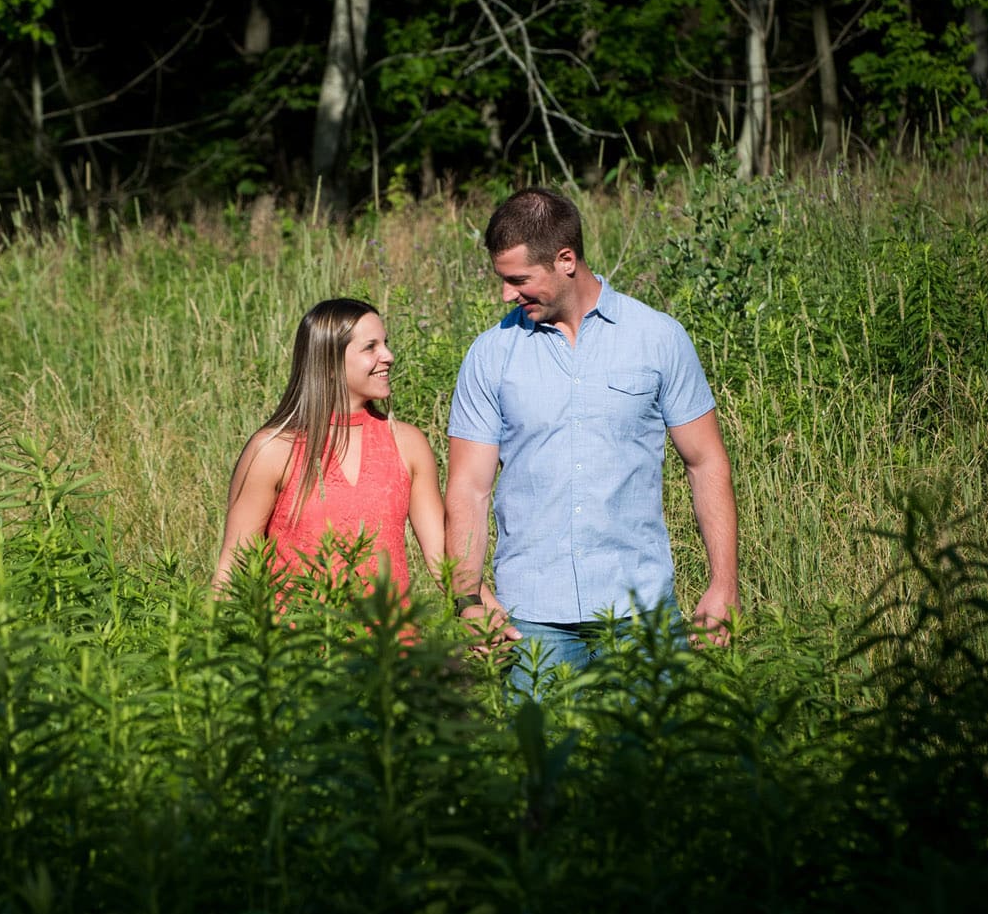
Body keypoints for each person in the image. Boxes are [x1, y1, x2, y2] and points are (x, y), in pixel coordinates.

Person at [444, 187, 738, 689]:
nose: (507, 295)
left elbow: (706, 461)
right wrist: (468, 595)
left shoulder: (657, 338)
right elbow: (469, 487)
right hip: (530, 619)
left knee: (646, 766)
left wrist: (723, 584)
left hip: (640, 611)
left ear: (565, 260)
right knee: (537, 766)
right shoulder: (491, 354)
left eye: (518, 280)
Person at [213, 298, 445, 609]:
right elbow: (234, 565)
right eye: (370, 347)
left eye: (385, 344)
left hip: (390, 649)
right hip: (300, 647)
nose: (388, 356)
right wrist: (206, 646)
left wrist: (479, 609)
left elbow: (443, 557)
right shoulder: (273, 449)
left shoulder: (408, 443)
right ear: (329, 362)